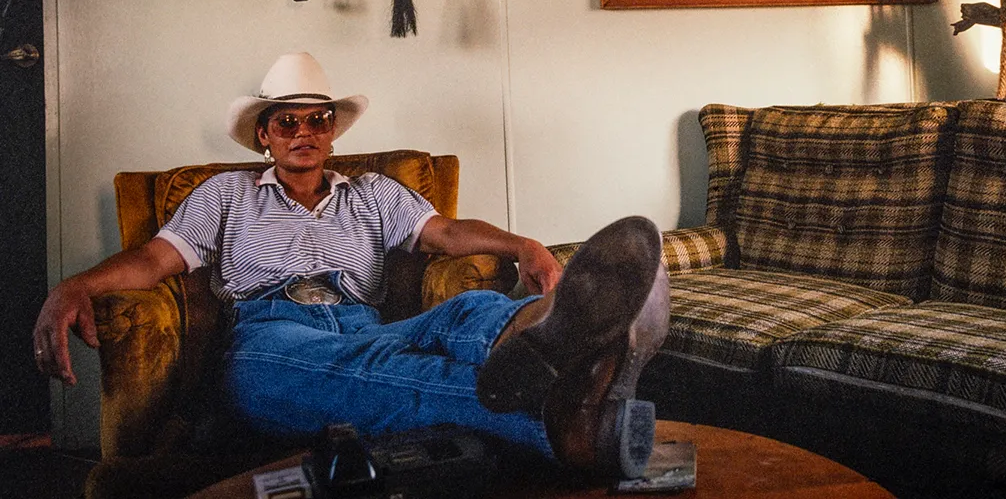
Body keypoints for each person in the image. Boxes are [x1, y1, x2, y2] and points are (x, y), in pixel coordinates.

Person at [33, 52, 669, 478]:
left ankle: (558, 336)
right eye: (288, 122)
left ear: (332, 129)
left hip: (367, 325)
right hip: (269, 340)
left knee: (469, 308)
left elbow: (445, 233)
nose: (304, 132)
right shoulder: (225, 194)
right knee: (378, 371)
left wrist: (526, 245)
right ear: (265, 134)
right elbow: (154, 258)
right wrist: (73, 285)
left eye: (318, 120)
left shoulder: (371, 191)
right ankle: (580, 400)